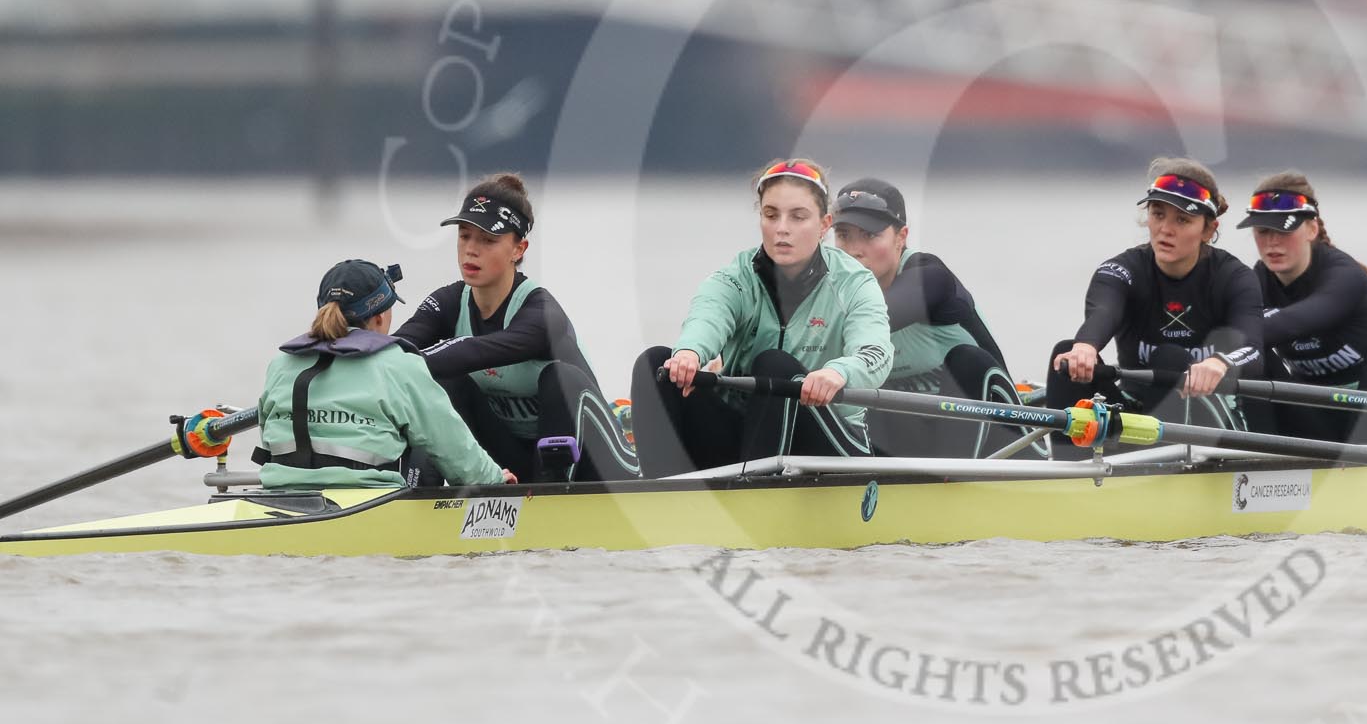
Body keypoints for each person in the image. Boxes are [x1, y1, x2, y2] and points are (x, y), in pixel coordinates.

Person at [629, 157, 895, 475]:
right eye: (771, 215)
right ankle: (659, 498)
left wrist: (838, 373)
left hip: (830, 442)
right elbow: (708, 317)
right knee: (655, 363)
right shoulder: (735, 279)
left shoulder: (854, 282)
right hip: (746, 437)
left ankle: (752, 498)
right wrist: (690, 352)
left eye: (798, 217)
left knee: (775, 365)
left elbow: (876, 352)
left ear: (824, 225)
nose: (782, 228)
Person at [394, 173, 635, 483]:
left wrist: (398, 361)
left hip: (600, 464)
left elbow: (472, 351)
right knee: (445, 382)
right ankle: (421, 498)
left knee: (557, 378)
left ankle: (553, 497)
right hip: (514, 463)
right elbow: (397, 348)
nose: (471, 250)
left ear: (518, 249)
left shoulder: (542, 312)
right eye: (465, 235)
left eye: (488, 240)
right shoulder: (448, 301)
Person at [1046, 157, 1263, 450]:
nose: (1165, 229)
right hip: (1134, 411)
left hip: (1209, 418)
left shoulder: (1234, 277)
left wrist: (1219, 362)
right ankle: (1068, 471)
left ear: (1209, 230)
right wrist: (1086, 345)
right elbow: (1104, 312)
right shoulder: (1121, 269)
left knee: (1171, 358)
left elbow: (1253, 348)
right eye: (1158, 214)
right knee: (1065, 354)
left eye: (1182, 220)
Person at [256, 259, 510, 490]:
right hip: (368, 503)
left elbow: (268, 438)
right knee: (425, 440)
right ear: (379, 317)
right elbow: (453, 448)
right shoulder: (398, 365)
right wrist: (495, 480)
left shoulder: (281, 363)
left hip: (282, 493)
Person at [830, 176, 1036, 458]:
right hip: (911, 446)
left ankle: (947, 485)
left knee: (967, 360)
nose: (854, 249)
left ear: (901, 237)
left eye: (869, 235)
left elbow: (879, 315)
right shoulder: (829, 292)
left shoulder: (929, 277)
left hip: (1004, 446)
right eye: (843, 235)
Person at [1237, 171, 1367, 444]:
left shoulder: (1346, 275)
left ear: (1312, 229)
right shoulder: (1258, 280)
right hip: (1316, 416)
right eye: (1263, 231)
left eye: (1283, 229)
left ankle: (1364, 465)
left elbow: (1298, 320)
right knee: (1248, 356)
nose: (1272, 242)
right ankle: (1260, 462)